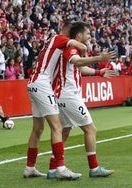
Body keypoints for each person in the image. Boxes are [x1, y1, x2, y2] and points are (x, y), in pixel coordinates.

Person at [23, 22, 92, 180]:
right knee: (57, 126)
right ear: (68, 31)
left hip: (33, 83)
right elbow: (79, 45)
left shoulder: (52, 41)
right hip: (42, 83)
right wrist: (84, 47)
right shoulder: (59, 38)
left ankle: (30, 168)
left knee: (38, 129)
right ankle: (60, 168)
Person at [47, 21, 115, 179]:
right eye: (88, 34)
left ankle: (52, 169)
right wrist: (99, 58)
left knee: (64, 131)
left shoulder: (75, 49)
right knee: (90, 129)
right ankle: (94, 168)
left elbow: (80, 67)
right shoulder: (71, 48)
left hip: (63, 94)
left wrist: (99, 72)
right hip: (68, 95)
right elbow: (77, 62)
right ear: (79, 36)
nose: (90, 37)